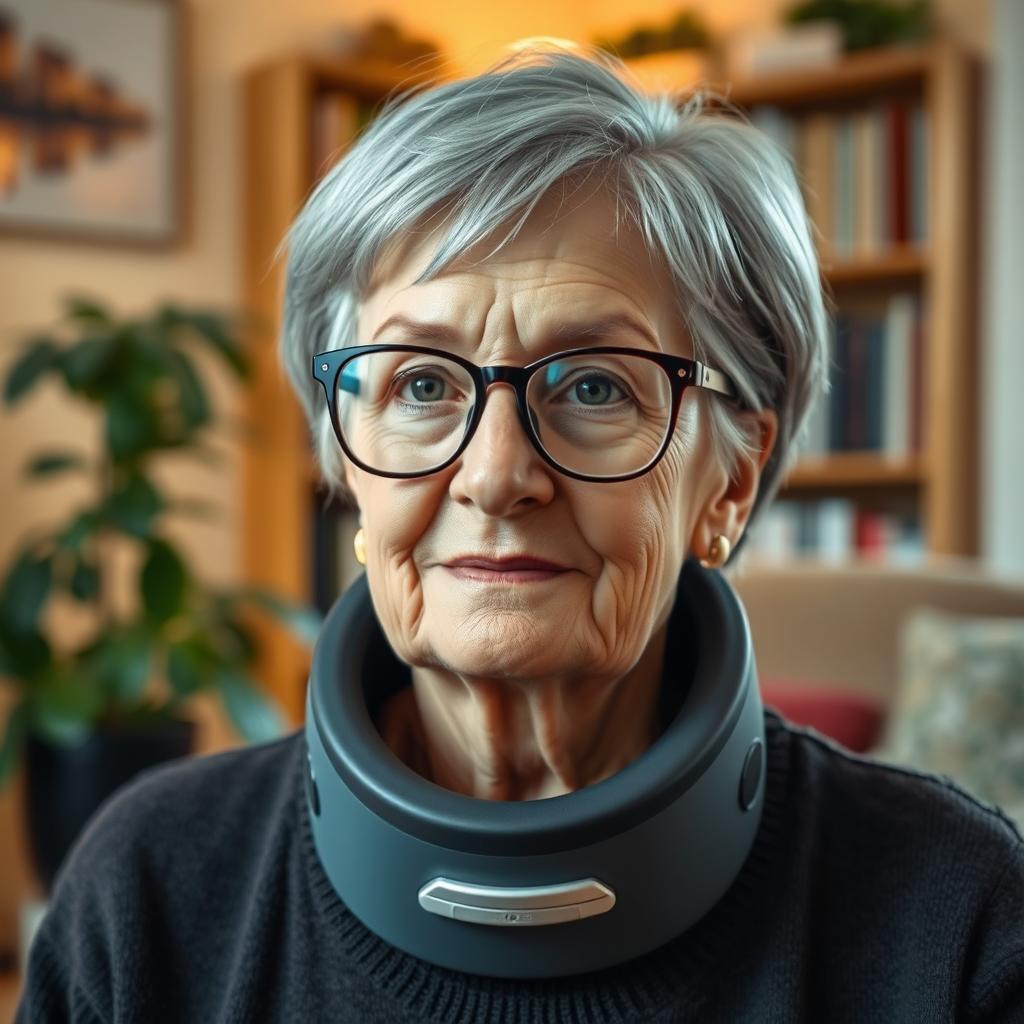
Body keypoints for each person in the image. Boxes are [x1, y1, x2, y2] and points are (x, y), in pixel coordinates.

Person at [16, 44, 1024, 1023]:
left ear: (731, 478)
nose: (496, 473)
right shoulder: (148, 890)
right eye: (419, 383)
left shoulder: (958, 916)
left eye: (592, 385)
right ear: (344, 455)